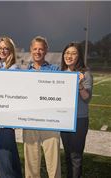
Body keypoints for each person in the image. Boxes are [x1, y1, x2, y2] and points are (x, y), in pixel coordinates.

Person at [23, 36, 61, 178]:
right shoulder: (24, 72)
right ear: (31, 50)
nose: (38, 51)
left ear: (46, 51)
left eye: (41, 49)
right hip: (30, 120)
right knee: (31, 160)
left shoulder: (55, 70)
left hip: (50, 121)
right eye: (35, 49)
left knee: (53, 160)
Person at [60, 42, 93, 178]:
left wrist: (79, 84)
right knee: (67, 155)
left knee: (76, 156)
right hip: (64, 120)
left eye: (73, 53)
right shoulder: (61, 73)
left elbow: (87, 98)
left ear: (79, 56)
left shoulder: (85, 74)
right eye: (67, 53)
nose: (69, 56)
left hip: (79, 120)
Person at [0, 36, 23, 178]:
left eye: (6, 48)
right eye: (0, 48)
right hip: (2, 120)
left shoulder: (14, 68)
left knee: (4, 156)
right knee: (10, 156)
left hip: (7, 120)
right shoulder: (0, 67)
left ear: (11, 50)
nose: (2, 50)